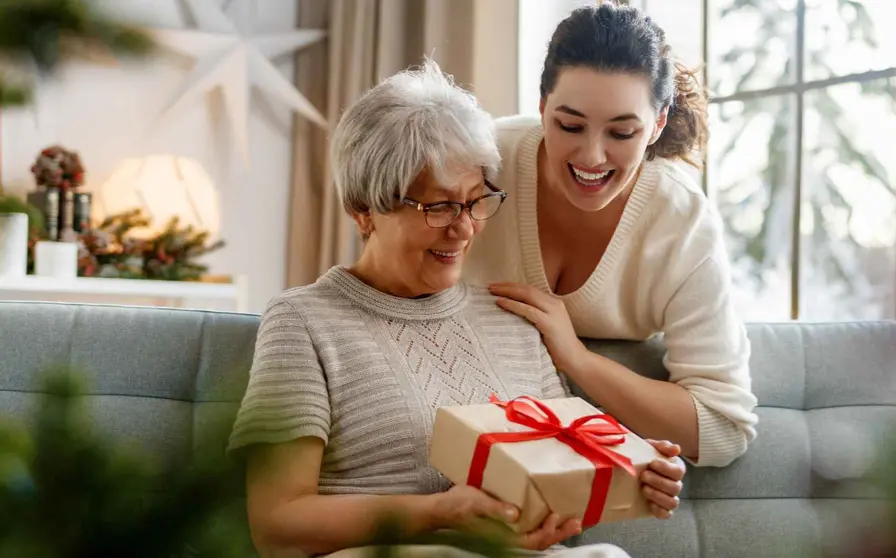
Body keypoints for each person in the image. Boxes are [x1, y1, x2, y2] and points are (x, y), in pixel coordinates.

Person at [227, 61, 672, 558]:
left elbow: (556, 491)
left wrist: (630, 472)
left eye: (476, 200)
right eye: (437, 207)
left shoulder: (513, 319)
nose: (463, 229)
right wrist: (439, 514)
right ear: (364, 210)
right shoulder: (303, 322)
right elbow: (277, 524)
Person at [464, 2, 759, 478]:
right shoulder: (481, 162)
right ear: (542, 107)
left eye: (622, 132)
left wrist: (578, 359)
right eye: (569, 125)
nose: (592, 156)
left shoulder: (680, 221)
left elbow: (723, 427)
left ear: (658, 124)